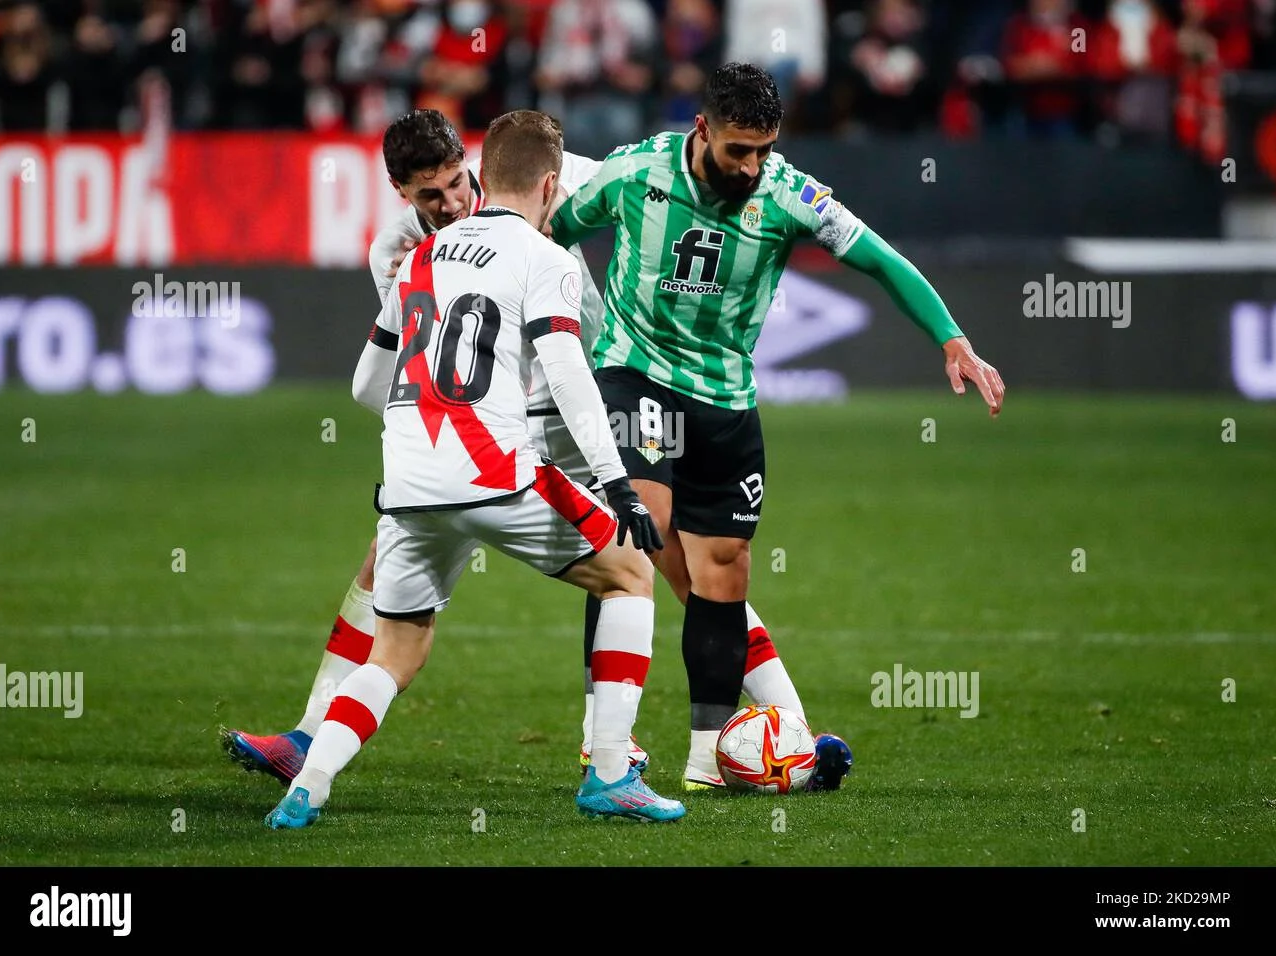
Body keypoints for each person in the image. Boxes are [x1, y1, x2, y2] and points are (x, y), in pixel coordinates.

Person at [223, 109, 831, 790]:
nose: (450, 204)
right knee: (383, 565)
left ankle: (788, 728)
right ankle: (308, 735)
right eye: (429, 196)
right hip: (495, 430)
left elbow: (653, 203)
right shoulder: (396, 249)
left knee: (669, 557)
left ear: (476, 167)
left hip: (594, 394)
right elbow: (411, 371)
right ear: (402, 194)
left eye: (457, 183)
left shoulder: (558, 177)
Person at [548, 61, 1005, 791]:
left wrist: (951, 337)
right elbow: (552, 234)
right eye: (739, 150)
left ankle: (707, 758)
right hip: (636, 376)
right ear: (703, 129)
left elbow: (882, 260)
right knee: (641, 532)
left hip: (725, 398)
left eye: (765, 150)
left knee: (724, 568)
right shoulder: (635, 172)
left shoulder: (791, 194)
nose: (752, 166)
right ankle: (607, 744)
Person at [265, 109, 684, 828]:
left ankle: (309, 784)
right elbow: (567, 372)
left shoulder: (419, 257)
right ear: (550, 187)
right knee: (630, 574)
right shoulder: (545, 256)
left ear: (480, 174)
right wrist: (616, 482)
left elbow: (366, 385)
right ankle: (611, 772)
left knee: (395, 653)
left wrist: (426, 422)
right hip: (499, 468)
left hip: (408, 484)